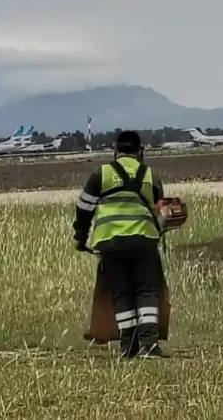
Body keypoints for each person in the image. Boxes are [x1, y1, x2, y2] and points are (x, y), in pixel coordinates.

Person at [73, 130, 167, 358]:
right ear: (140, 151)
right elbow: (160, 209)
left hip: (110, 242)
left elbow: (84, 209)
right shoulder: (150, 175)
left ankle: (128, 346)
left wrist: (81, 238)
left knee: (121, 292)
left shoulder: (100, 175)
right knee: (147, 291)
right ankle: (149, 344)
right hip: (144, 240)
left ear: (115, 151)